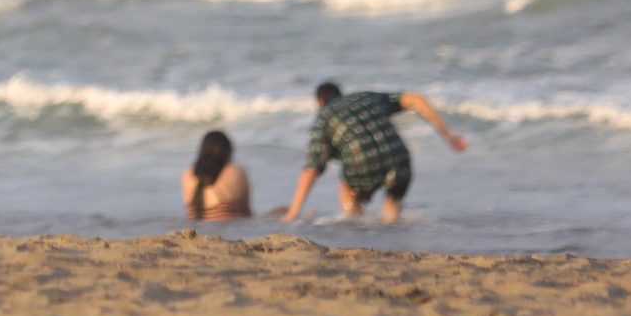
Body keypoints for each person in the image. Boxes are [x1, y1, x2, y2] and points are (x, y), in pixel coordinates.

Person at [278, 81, 469, 224]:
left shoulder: (324, 116)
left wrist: (293, 213)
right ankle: (392, 224)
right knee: (392, 208)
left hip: (362, 165)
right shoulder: (365, 97)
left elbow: (312, 168)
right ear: (341, 94)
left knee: (347, 189)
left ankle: (355, 223)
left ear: (319, 102)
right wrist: (447, 134)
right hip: (399, 158)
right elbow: (415, 99)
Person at [183, 130, 250, 221]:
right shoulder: (236, 171)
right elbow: (247, 212)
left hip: (196, 229)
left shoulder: (188, 174)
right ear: (227, 150)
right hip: (230, 229)